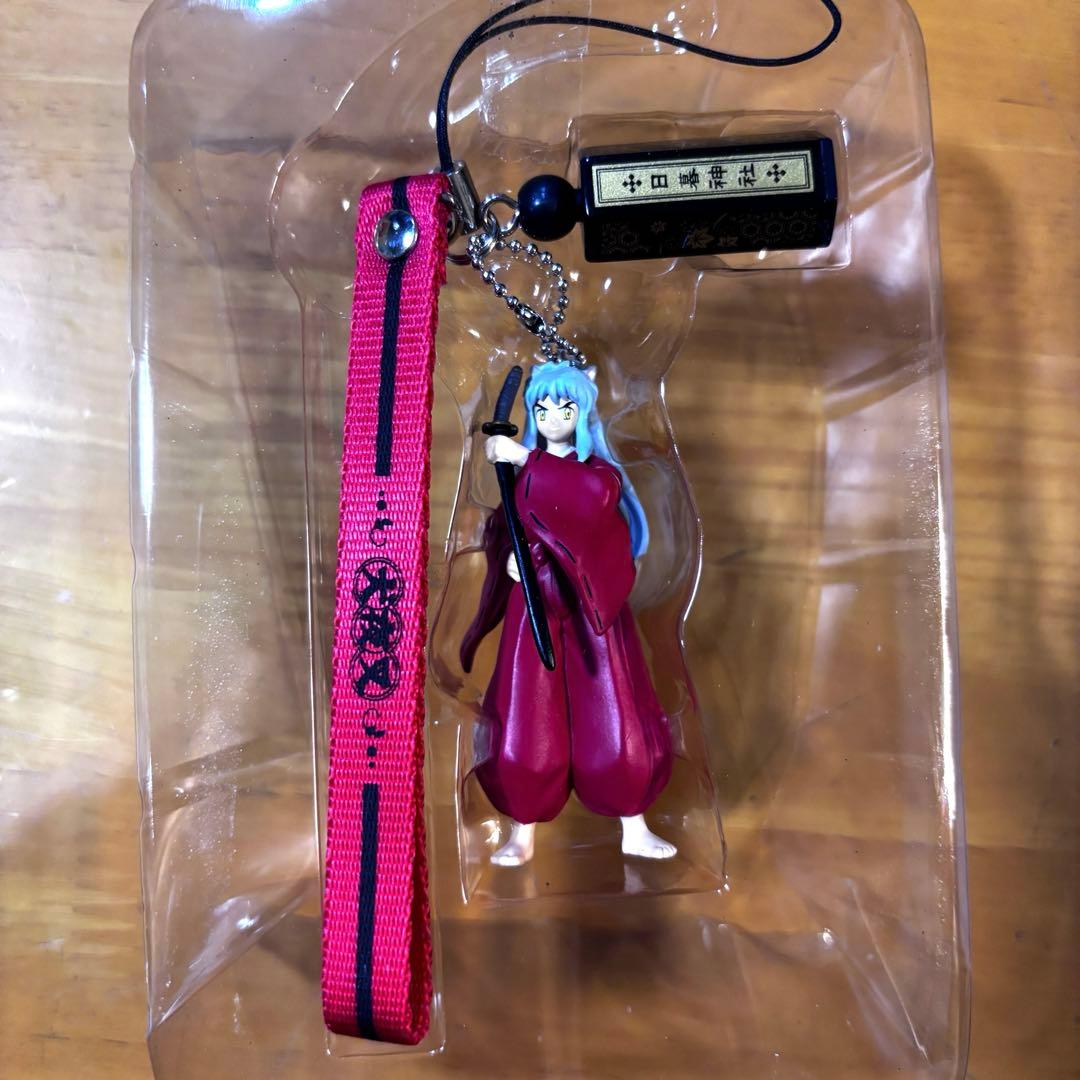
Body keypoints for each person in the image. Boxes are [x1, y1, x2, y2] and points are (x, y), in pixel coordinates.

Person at [461, 360, 676, 865]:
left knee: (614, 703)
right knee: (526, 709)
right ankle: (522, 830)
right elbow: (508, 526)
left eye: (566, 408)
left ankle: (633, 822)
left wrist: (522, 457)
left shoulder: (597, 473)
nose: (553, 417)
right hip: (534, 598)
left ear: (582, 413)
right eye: (542, 409)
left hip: (589, 602)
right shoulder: (521, 471)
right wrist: (508, 555)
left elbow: (590, 499)